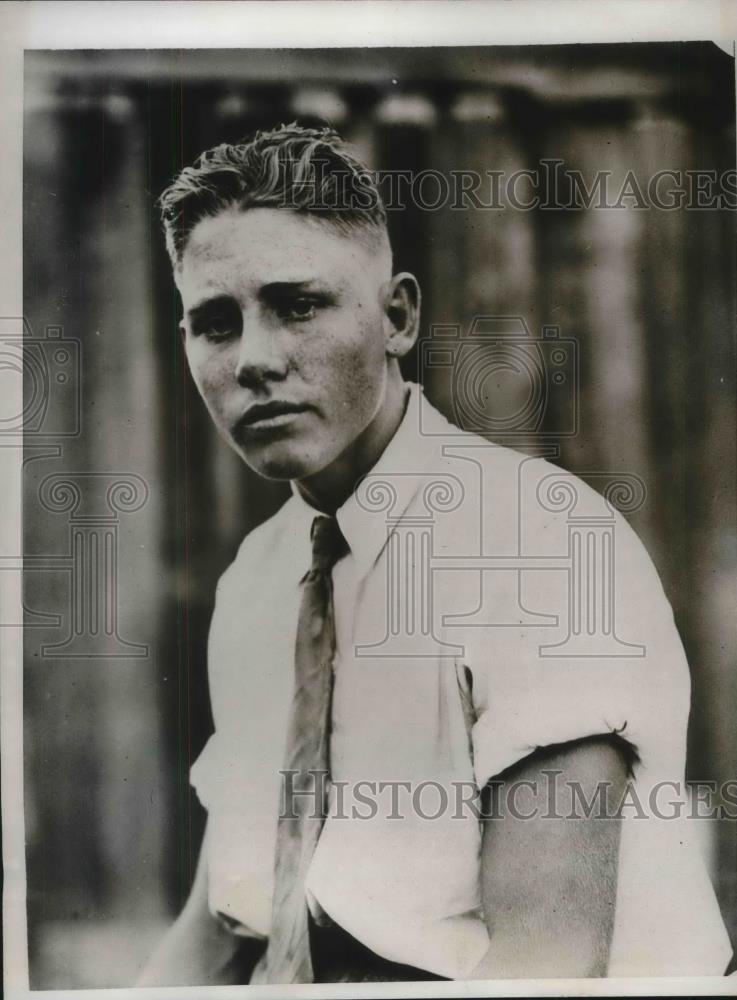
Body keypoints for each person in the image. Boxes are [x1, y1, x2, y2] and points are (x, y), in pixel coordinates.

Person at [138, 123, 732, 985]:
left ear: (397, 317)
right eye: (214, 324)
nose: (255, 360)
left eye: (297, 304)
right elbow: (220, 922)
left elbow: (546, 966)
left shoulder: (533, 542)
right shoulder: (260, 579)